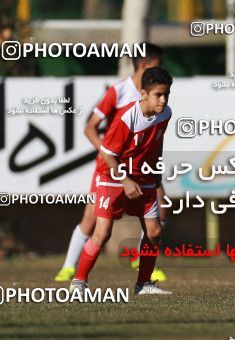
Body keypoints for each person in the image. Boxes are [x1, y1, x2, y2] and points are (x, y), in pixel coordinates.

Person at [55, 42, 168, 282]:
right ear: (145, 65)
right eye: (157, 64)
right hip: (111, 167)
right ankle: (72, 272)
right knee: (96, 226)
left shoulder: (163, 111)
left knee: (155, 226)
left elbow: (155, 142)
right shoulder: (120, 94)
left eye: (165, 94)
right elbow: (91, 128)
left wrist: (155, 173)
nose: (163, 98)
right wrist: (112, 157)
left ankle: (143, 275)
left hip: (140, 170)